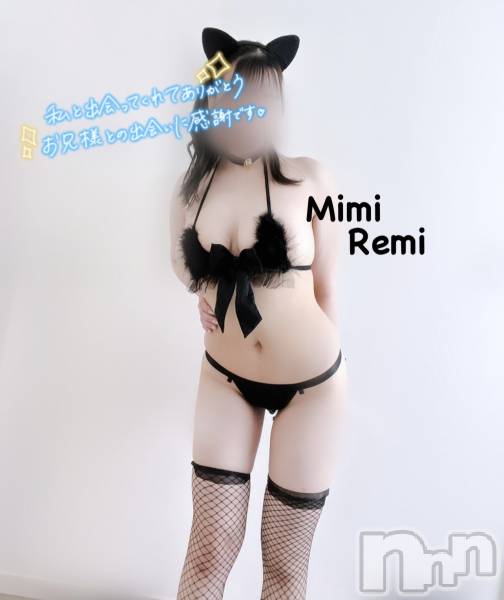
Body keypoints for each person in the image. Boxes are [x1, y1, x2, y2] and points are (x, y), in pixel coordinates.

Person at [169, 26, 348, 600]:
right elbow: (180, 265)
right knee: (208, 552)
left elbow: (328, 287)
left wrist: (324, 370)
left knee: (285, 566)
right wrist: (202, 294)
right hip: (225, 379)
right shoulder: (191, 191)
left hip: (311, 387)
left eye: (268, 98)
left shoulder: (311, 178)